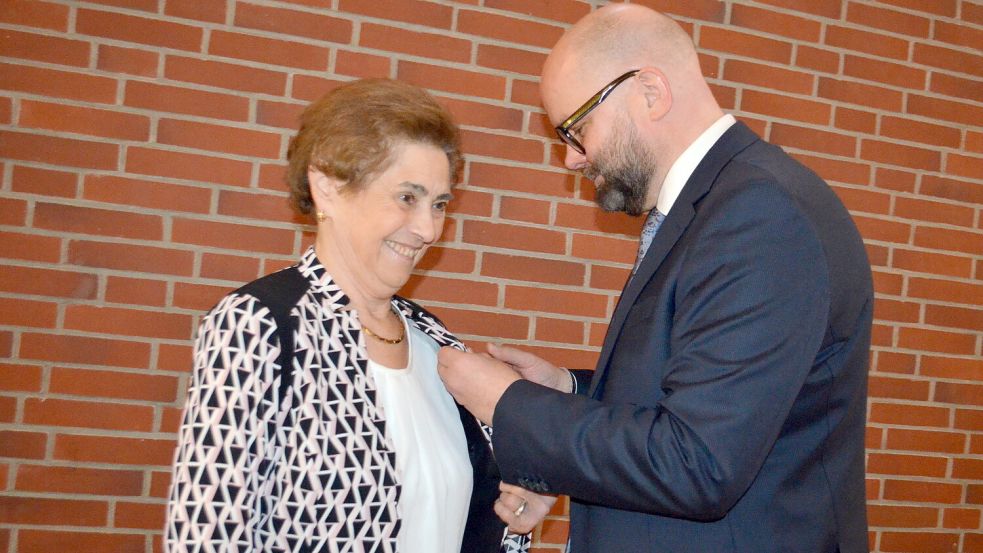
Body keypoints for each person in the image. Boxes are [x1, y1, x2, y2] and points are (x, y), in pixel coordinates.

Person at [437, 4, 873, 553]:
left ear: (649, 91)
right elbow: (694, 396)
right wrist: (568, 391)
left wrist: (509, 404)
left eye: (576, 129)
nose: (573, 159)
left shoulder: (759, 215)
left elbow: (698, 463)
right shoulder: (719, 207)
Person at [164, 78, 543, 553]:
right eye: (407, 197)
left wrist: (512, 517)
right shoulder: (260, 324)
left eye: (439, 204)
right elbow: (208, 535)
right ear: (328, 188)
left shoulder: (435, 343)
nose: (427, 228)